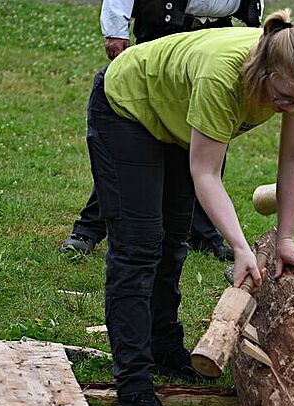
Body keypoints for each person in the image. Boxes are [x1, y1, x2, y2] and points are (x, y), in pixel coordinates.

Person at [84, 11, 294, 406]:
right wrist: (239, 247)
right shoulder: (224, 75)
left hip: (180, 121)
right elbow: (206, 173)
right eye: (284, 98)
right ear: (264, 70)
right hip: (127, 108)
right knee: (138, 248)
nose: (290, 107)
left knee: (174, 237)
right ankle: (134, 387)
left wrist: (286, 237)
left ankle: (164, 346)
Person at [60, 0, 264, 259]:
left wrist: (255, 19)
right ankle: (89, 227)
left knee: (207, 138)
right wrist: (116, 27)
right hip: (167, 28)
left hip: (218, 32)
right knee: (141, 139)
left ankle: (202, 232)